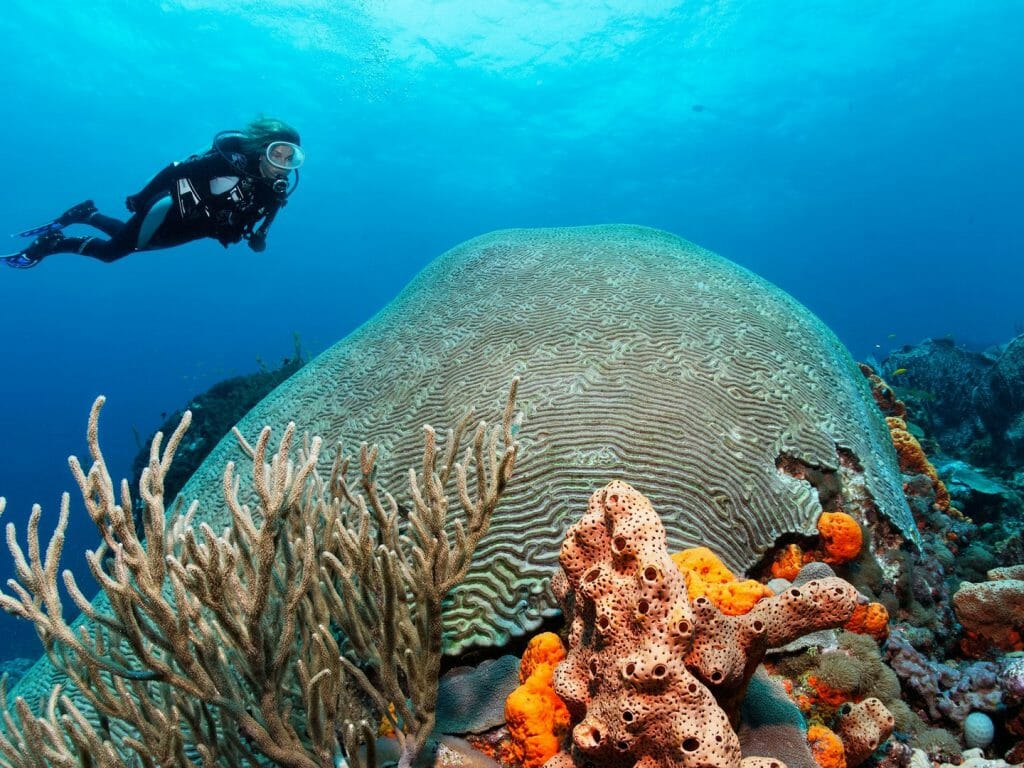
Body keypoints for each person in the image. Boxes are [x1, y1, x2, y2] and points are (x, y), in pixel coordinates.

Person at [4, 117, 304, 269]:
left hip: (196, 227)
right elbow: (175, 170)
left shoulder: (273, 192)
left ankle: (85, 213)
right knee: (114, 252)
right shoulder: (231, 163)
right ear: (262, 149)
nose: (283, 165)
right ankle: (53, 244)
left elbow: (262, 228)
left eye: (290, 158)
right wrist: (141, 195)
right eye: (278, 154)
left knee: (135, 242)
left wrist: (258, 239)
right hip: (170, 207)